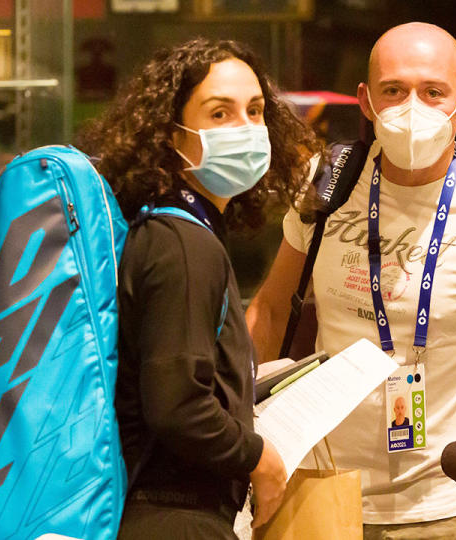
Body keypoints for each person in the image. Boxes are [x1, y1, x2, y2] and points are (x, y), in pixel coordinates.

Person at [245, 22, 456, 538]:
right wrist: (246, 440)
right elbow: (269, 309)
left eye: (433, 93)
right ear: (366, 101)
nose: (412, 108)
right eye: (394, 91)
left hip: (449, 506)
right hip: (317, 488)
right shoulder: (329, 180)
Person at [77, 38, 322, 538]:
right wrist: (260, 460)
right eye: (219, 114)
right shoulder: (183, 243)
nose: (247, 130)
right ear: (171, 135)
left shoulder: (172, 230)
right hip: (173, 516)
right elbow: (178, 405)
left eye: (255, 111)